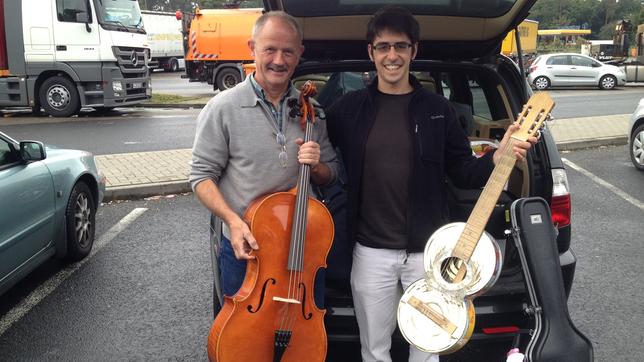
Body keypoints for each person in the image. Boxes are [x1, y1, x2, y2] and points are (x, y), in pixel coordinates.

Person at [325, 6, 538, 362]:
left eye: (401, 46)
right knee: (373, 349)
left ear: (414, 51)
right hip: (370, 253)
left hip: (429, 255)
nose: (392, 56)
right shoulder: (348, 109)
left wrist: (498, 157)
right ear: (371, 53)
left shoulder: (437, 109)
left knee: (427, 350)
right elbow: (324, 162)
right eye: (383, 47)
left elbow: (463, 171)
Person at [189, 11, 339, 305]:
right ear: (252, 47)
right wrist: (232, 221)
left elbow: (331, 173)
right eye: (270, 49)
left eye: (288, 52)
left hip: (303, 246)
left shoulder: (313, 111)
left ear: (300, 55)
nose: (279, 61)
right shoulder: (223, 108)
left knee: (304, 333)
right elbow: (200, 177)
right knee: (242, 338)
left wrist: (317, 165)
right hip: (247, 245)